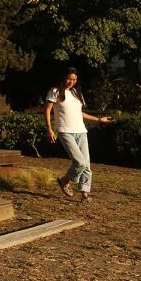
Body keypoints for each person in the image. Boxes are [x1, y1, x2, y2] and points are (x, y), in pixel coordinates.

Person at [44, 68, 114, 202]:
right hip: (65, 131)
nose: (71, 82)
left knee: (86, 165)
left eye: (74, 79)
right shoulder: (55, 91)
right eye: (69, 78)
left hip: (81, 131)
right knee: (80, 162)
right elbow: (47, 110)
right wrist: (49, 129)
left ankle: (85, 195)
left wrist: (99, 119)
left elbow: (79, 113)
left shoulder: (77, 93)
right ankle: (65, 181)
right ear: (64, 77)